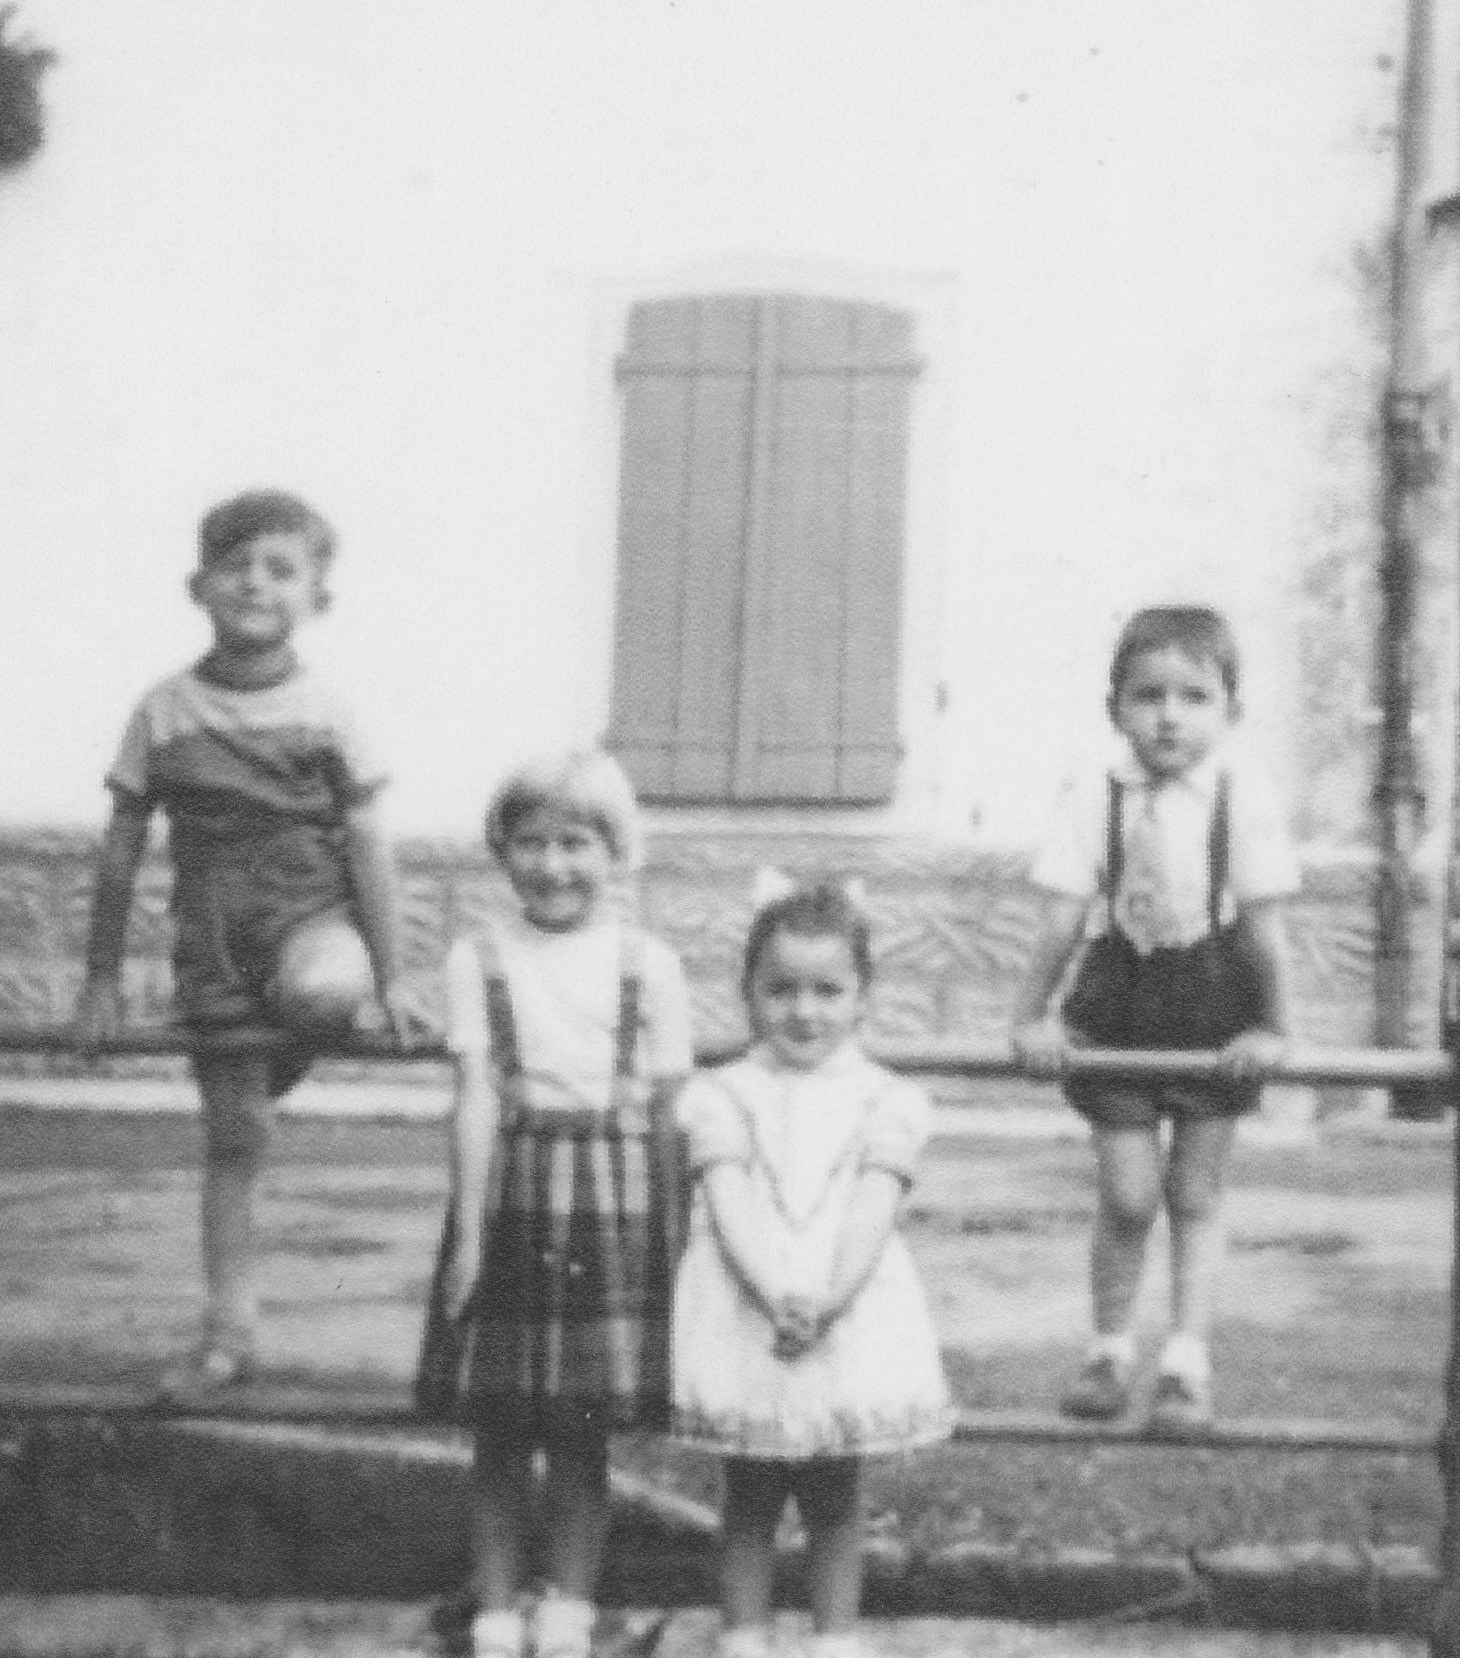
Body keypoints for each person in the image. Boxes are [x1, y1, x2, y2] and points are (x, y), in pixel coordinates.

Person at [72, 488, 410, 1398]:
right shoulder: (164, 712)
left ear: (317, 598)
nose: (256, 583)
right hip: (214, 943)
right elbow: (120, 848)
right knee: (235, 1141)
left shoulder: (329, 711)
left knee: (322, 995)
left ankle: (283, 1054)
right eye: (236, 566)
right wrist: (101, 978)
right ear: (199, 586)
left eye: (280, 569)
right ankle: (228, 1334)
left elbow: (369, 844)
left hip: (311, 923)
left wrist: (392, 975)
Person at [415, 751, 694, 1658]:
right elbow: (475, 1098)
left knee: (582, 1434)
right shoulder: (478, 959)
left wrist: (679, 1242)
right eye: (530, 843)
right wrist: (468, 1235)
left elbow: (672, 1112)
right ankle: (497, 1612)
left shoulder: (650, 964)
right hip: (511, 1196)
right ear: (502, 851)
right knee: (498, 1431)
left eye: (575, 843)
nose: (552, 864)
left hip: (614, 1205)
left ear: (616, 851)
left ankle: (569, 1607)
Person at [1013, 604, 1294, 1436]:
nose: (1170, 716)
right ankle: (1108, 1351)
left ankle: (1185, 1364)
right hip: (1120, 1003)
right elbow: (1061, 919)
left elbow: (1264, 928)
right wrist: (1030, 1016)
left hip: (1213, 1001)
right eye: (1148, 695)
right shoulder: (1093, 793)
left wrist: (1273, 1027)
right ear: (1115, 709)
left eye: (1194, 697)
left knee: (1195, 1195)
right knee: (1129, 1197)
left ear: (1231, 712)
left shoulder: (1243, 796)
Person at [671, 879, 955, 1658]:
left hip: (845, 1306)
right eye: (781, 990)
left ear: (864, 997)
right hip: (748, 1309)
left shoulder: (886, 1099)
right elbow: (728, 1201)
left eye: (828, 991)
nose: (804, 1011)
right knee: (749, 1493)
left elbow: (873, 1207)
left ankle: (835, 1639)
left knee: (835, 1495)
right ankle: (743, 1636)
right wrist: (772, 1294)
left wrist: (829, 1299)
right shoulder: (722, 1094)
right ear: (748, 993)